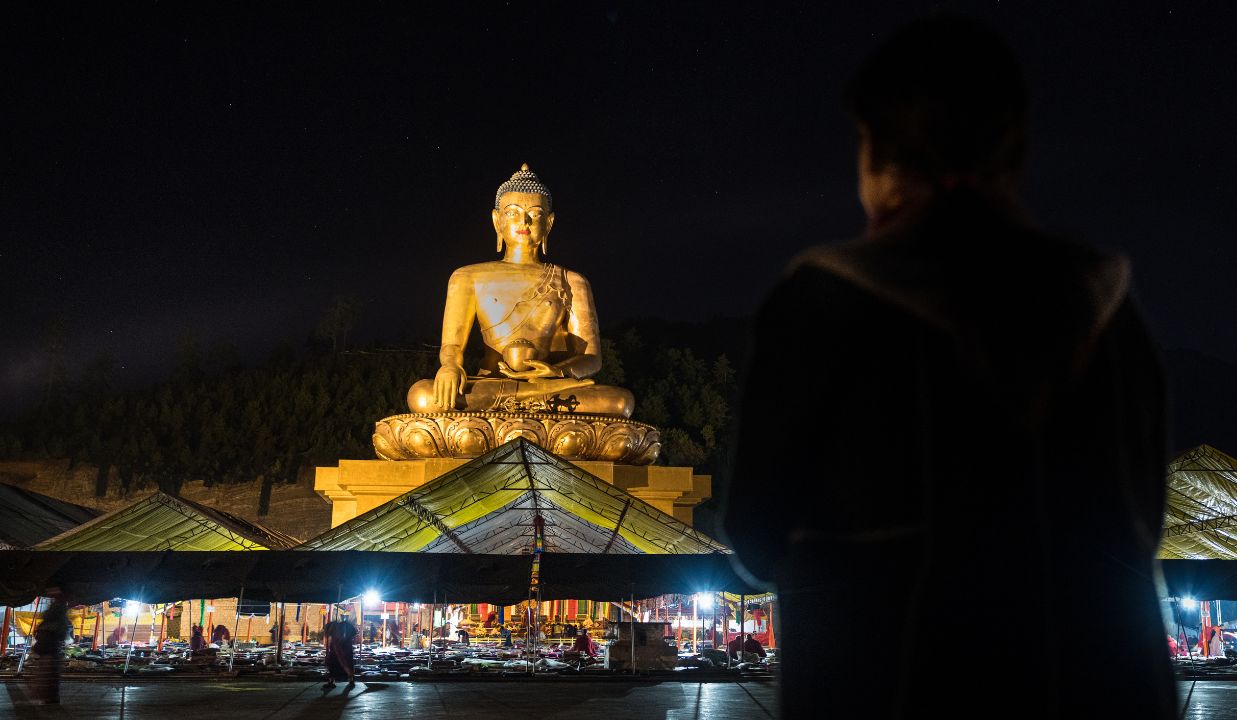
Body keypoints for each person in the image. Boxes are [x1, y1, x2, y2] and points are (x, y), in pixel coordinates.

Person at [721, 16, 1176, 719]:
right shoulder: (1103, 299)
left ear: (875, 156)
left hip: (887, 678)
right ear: (1015, 151)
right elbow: (1142, 513)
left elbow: (755, 529)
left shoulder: (825, 298)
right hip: (1091, 679)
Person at [404, 164, 634, 418]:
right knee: (423, 396)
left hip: (550, 387)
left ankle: (518, 406)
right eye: (513, 213)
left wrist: (558, 372)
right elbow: (452, 347)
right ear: (496, 220)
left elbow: (591, 357)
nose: (524, 222)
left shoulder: (572, 281)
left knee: (619, 403)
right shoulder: (467, 277)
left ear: (549, 223)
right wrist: (449, 367)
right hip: (491, 383)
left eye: (534, 215)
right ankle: (527, 407)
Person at [29, 590, 69, 705]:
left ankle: (50, 697)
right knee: (50, 673)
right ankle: (50, 697)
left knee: (48, 673)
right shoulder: (59, 614)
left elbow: (58, 630)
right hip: (50, 648)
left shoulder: (56, 612)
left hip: (49, 647)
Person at [322, 615, 357, 690]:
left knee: (336, 665)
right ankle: (350, 680)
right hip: (342, 650)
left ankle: (336, 680)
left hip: (340, 650)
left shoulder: (340, 626)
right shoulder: (342, 626)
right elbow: (354, 634)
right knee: (338, 665)